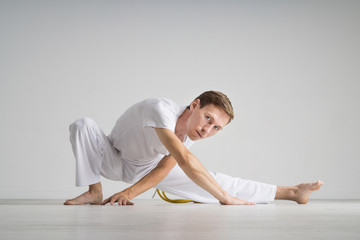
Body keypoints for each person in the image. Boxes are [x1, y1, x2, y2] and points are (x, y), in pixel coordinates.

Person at [64, 91, 323, 206]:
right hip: (114, 158)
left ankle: (291, 192)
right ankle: (94, 191)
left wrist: (129, 192)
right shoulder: (161, 110)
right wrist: (225, 199)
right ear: (195, 104)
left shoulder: (187, 135)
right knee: (82, 125)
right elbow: (185, 159)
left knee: (217, 182)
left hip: (147, 170)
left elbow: (166, 167)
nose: (207, 130)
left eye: (216, 128)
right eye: (208, 118)